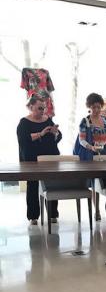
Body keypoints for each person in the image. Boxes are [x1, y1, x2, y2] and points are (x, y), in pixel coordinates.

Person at [16, 95, 62, 225]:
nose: (43, 111)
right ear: (31, 107)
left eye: (44, 108)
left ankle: (53, 214)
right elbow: (23, 140)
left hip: (49, 157)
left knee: (52, 184)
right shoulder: (24, 122)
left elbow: (59, 136)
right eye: (40, 108)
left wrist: (55, 133)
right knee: (32, 185)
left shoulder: (48, 119)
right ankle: (33, 216)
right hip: (31, 158)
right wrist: (41, 134)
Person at [74, 93, 106, 160]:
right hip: (91, 154)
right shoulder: (85, 121)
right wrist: (92, 147)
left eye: (99, 107)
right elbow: (82, 140)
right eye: (94, 107)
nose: (96, 110)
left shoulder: (105, 119)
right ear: (89, 107)